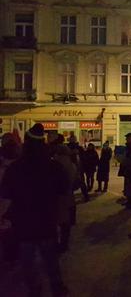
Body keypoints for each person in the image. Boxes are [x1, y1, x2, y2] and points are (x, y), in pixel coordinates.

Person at [0, 124, 69, 296]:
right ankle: (57, 288)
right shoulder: (53, 167)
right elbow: (64, 193)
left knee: (28, 263)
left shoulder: (15, 168)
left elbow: (6, 198)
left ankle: (35, 290)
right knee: (51, 260)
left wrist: (2, 216)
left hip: (23, 225)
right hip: (47, 222)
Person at [49, 135, 78, 253]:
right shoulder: (71, 162)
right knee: (65, 218)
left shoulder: (57, 163)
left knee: (58, 219)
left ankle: (59, 244)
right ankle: (65, 242)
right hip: (68, 192)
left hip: (59, 194)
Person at [0, 132, 21, 262]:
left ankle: (11, 255)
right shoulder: (22, 162)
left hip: (9, 202)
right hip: (15, 203)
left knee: (8, 230)